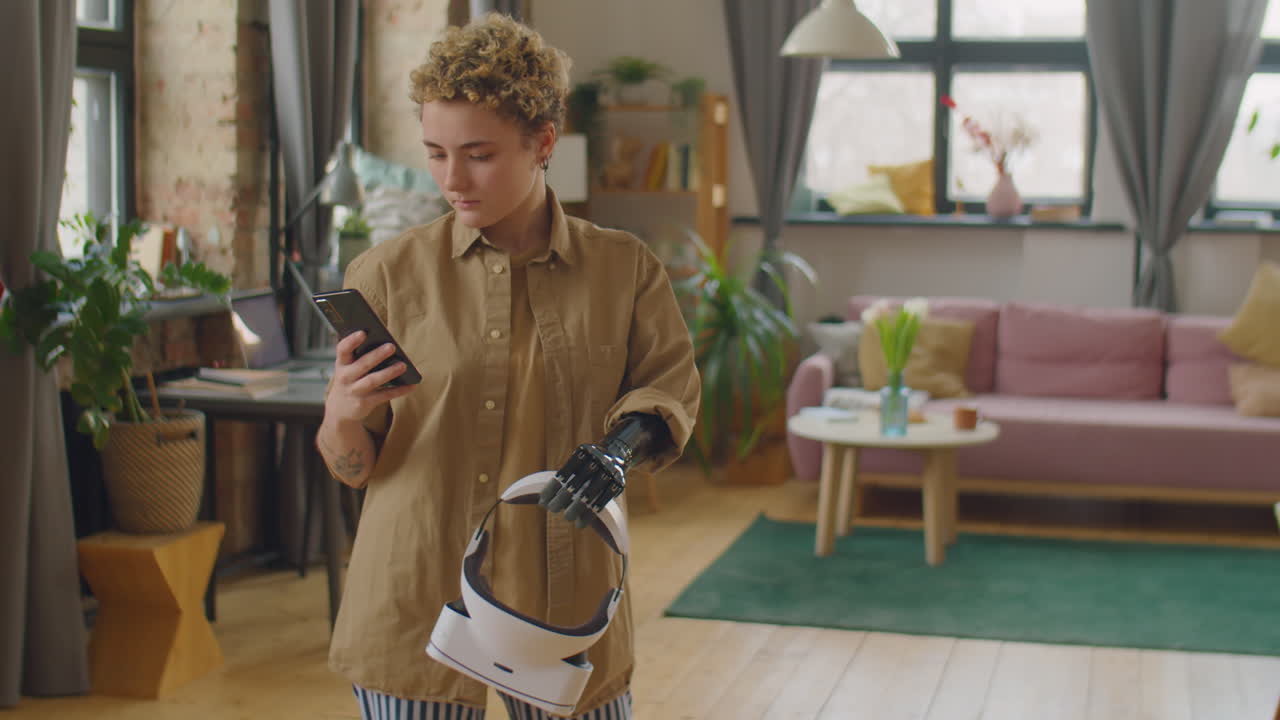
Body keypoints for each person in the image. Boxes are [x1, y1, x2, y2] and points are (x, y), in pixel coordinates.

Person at [315, 13, 701, 720]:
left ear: (543, 142)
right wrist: (342, 416)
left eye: (479, 155)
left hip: (566, 594)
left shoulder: (624, 270)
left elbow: (667, 389)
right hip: (412, 597)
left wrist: (617, 449)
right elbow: (355, 464)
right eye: (436, 153)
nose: (452, 179)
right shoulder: (385, 275)